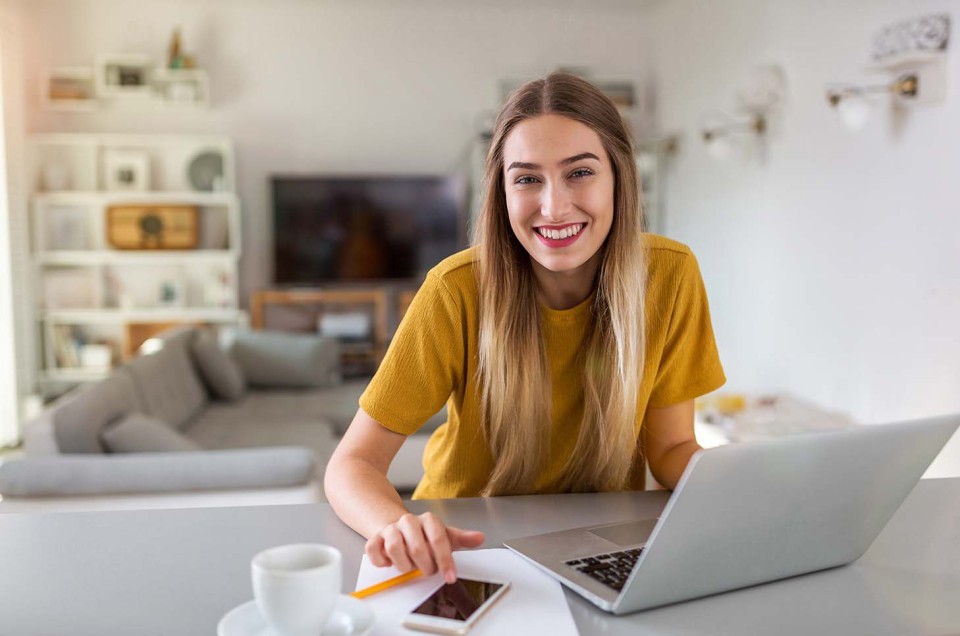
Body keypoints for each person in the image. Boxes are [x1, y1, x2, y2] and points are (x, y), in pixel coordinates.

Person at [325, 72, 725, 586]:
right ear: (502, 190)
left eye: (580, 172)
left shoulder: (671, 276)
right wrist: (397, 525)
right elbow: (351, 463)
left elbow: (670, 449)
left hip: (598, 545)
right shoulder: (455, 290)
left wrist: (734, 490)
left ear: (619, 176)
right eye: (527, 178)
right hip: (462, 550)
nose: (554, 206)